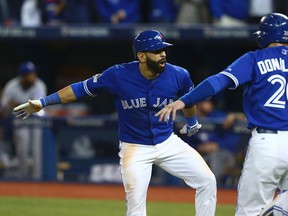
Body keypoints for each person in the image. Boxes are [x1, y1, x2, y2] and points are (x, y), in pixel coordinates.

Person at [13, 30, 217, 216]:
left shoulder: (179, 74)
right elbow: (79, 89)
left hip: (167, 142)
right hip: (135, 148)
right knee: (136, 207)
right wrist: (43, 102)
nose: (163, 54)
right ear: (141, 56)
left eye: (164, 49)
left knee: (207, 181)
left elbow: (189, 100)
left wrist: (192, 122)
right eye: (156, 51)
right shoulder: (118, 75)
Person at [156, 13, 288, 215]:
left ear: (264, 35)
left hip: (267, 143)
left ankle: (275, 210)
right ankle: (278, 209)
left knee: (249, 211)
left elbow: (218, 81)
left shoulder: (255, 58)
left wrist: (185, 100)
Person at [1, 61, 47, 179]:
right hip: (20, 120)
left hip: (37, 121)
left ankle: (37, 178)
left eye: (33, 73)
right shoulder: (12, 86)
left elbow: (37, 106)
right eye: (29, 74)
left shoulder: (39, 85)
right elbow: (4, 107)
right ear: (23, 76)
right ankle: (24, 179)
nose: (33, 76)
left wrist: (16, 104)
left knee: (36, 150)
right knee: (22, 149)